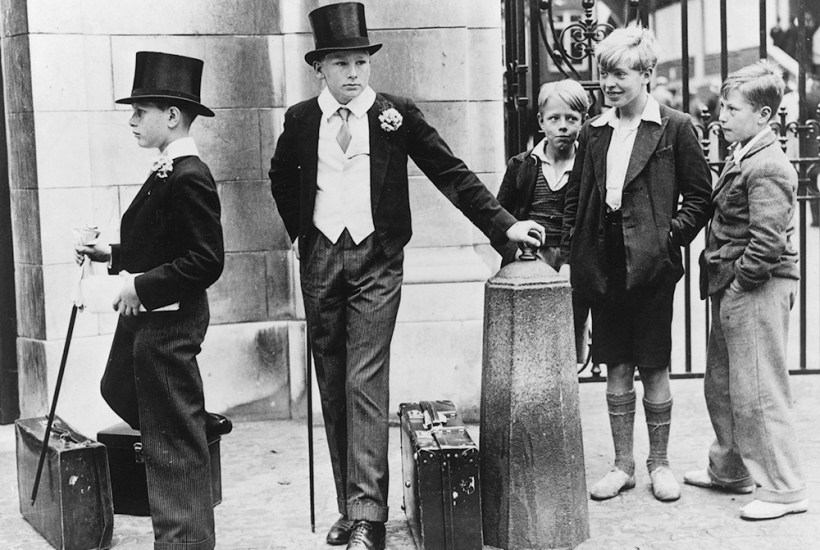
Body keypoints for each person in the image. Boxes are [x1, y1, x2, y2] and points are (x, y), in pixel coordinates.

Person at [268, 3, 544, 549]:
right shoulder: (300, 120)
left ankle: (369, 515)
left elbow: (451, 173)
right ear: (318, 68)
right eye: (341, 63)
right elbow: (280, 177)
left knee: (364, 379)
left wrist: (505, 226)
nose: (353, 73)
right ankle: (350, 504)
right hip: (320, 258)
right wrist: (302, 233)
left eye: (361, 62)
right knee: (332, 382)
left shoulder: (394, 114)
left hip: (376, 259)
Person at [74, 51, 225, 550]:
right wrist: (112, 256)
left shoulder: (189, 175)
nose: (132, 120)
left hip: (170, 326)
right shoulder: (168, 169)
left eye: (141, 111)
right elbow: (163, 245)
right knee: (119, 388)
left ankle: (184, 541)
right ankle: (193, 423)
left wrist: (138, 288)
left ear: (173, 116)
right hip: (150, 324)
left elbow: (205, 261)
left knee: (172, 444)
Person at [560, 27, 712, 502]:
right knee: (616, 365)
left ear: (646, 74)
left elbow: (700, 198)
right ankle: (622, 465)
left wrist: (668, 238)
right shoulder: (594, 130)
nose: (609, 83)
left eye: (620, 74)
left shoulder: (674, 126)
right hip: (603, 261)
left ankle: (659, 464)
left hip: (651, 266)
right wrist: (571, 252)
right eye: (604, 73)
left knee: (654, 365)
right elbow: (577, 198)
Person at [685, 60, 809, 521]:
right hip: (737, 284)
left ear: (764, 115)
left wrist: (740, 285)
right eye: (722, 107)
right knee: (723, 383)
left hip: (757, 286)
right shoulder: (746, 153)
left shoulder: (768, 165)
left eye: (732, 109)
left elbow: (767, 242)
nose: (722, 116)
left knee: (759, 388)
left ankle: (783, 489)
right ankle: (731, 470)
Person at [494, 79, 592, 367]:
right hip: (530, 260)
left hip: (571, 263)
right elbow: (498, 220)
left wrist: (573, 262)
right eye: (554, 118)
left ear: (583, 121)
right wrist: (516, 254)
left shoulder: (588, 167)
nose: (563, 126)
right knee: (528, 341)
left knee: (566, 346)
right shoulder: (521, 166)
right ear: (540, 121)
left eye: (571, 119)